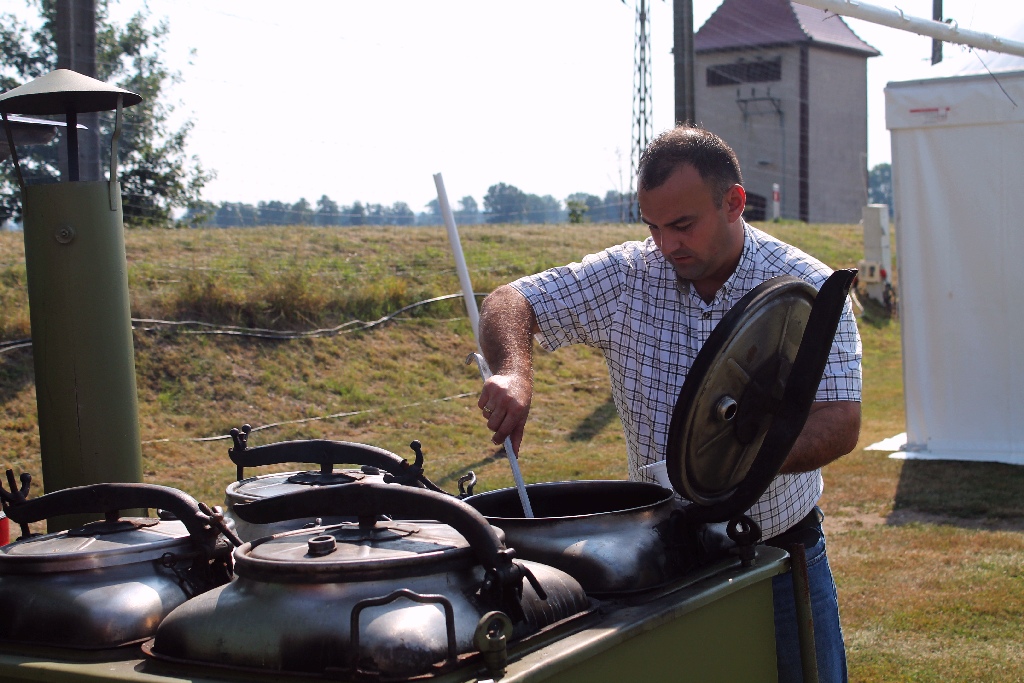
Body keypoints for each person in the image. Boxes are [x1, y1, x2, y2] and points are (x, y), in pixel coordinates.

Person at [475, 125, 862, 683]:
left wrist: (735, 459)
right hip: (660, 559)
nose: (667, 245)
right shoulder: (628, 276)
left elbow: (840, 422)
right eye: (653, 226)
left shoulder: (806, 290)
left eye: (683, 225)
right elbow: (512, 301)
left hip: (780, 555)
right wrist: (514, 372)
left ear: (734, 202)